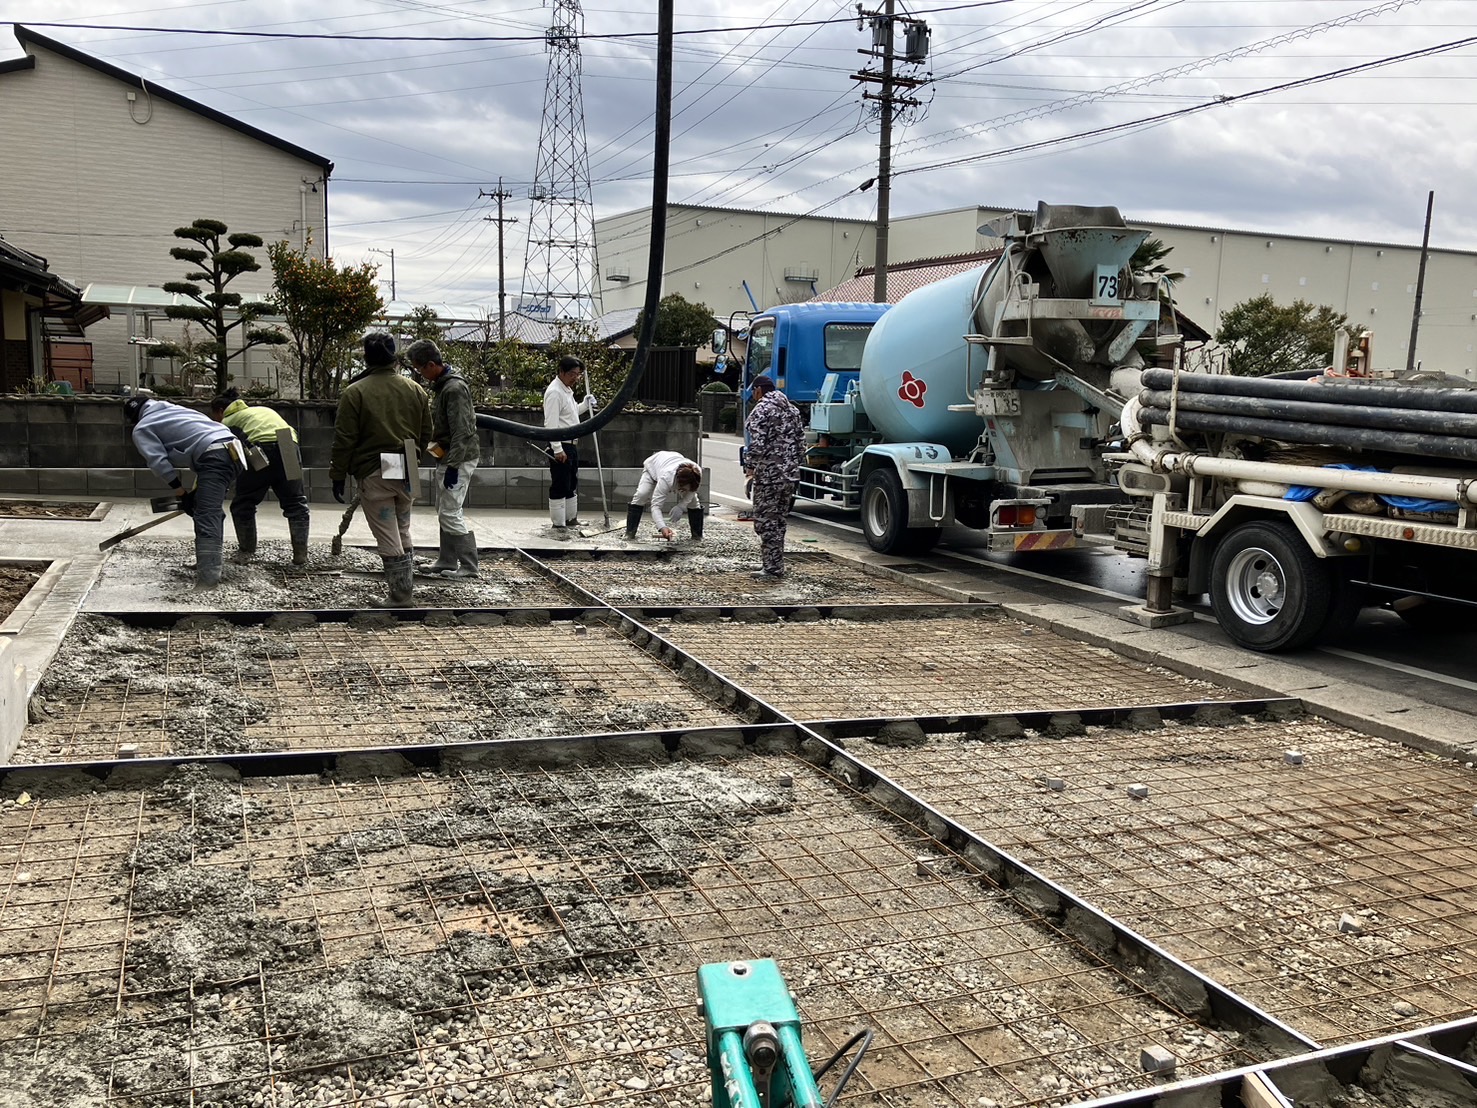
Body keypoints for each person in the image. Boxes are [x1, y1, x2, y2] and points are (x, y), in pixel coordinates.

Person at [329, 332, 432, 607]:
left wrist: (338, 474)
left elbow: (345, 439)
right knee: (402, 527)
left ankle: (400, 596)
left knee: (387, 532)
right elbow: (426, 433)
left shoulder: (356, 392)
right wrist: (416, 457)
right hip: (407, 465)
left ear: (366, 357)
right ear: (394, 356)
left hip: (374, 467)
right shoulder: (416, 390)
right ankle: (405, 590)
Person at [125, 395, 241, 589]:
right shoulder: (176, 410)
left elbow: (158, 462)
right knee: (207, 508)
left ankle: (208, 579)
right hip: (234, 450)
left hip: (213, 455)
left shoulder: (143, 427)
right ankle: (207, 562)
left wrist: (180, 492)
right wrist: (191, 495)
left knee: (206, 513)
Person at [208, 389, 311, 568]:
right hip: (288, 445)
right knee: (295, 502)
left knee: (243, 503)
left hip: (259, 448)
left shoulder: (227, 422)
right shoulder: (264, 410)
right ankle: (300, 554)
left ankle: (247, 549)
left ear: (220, 410)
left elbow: (231, 456)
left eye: (214, 415)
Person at [405, 339, 479, 578]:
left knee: (449, 511)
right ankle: (447, 560)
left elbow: (462, 430)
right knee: (445, 509)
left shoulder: (453, 389)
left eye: (419, 369)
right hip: (451, 456)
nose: (420, 374)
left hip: (458, 457)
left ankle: (468, 565)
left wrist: (454, 465)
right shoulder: (445, 386)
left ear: (429, 364)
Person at [743, 374, 806, 579]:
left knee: (765, 521)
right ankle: (775, 565)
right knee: (779, 520)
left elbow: (757, 445)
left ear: (759, 390)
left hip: (769, 476)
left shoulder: (761, 410)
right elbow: (800, 444)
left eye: (753, 391)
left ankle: (772, 568)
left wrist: (750, 468)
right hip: (789, 475)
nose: (753, 395)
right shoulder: (793, 410)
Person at [542, 354, 596, 533]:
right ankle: (558, 523)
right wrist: (557, 448)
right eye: (572, 374)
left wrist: (584, 404)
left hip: (571, 444)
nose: (575, 378)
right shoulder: (555, 392)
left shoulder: (566, 391)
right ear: (561, 372)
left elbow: (571, 415)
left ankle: (571, 519)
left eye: (578, 374)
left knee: (571, 482)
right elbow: (551, 424)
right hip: (562, 445)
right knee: (561, 483)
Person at [626, 451, 704, 542]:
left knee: (693, 502)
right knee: (641, 495)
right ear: (679, 483)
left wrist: (681, 506)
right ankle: (630, 532)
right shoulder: (666, 478)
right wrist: (662, 527)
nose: (684, 492)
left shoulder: (697, 473)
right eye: (683, 489)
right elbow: (656, 506)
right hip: (653, 467)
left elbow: (692, 492)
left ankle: (697, 535)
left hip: (671, 461)